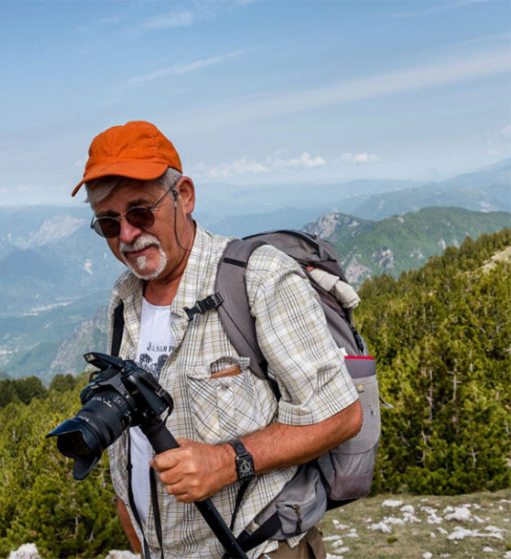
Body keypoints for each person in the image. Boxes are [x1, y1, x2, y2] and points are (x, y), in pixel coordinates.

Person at [71, 121, 363, 559]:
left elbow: (342, 414)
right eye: (109, 223)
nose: (128, 235)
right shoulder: (124, 298)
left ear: (184, 195)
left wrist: (226, 462)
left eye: (140, 213)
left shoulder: (259, 278)